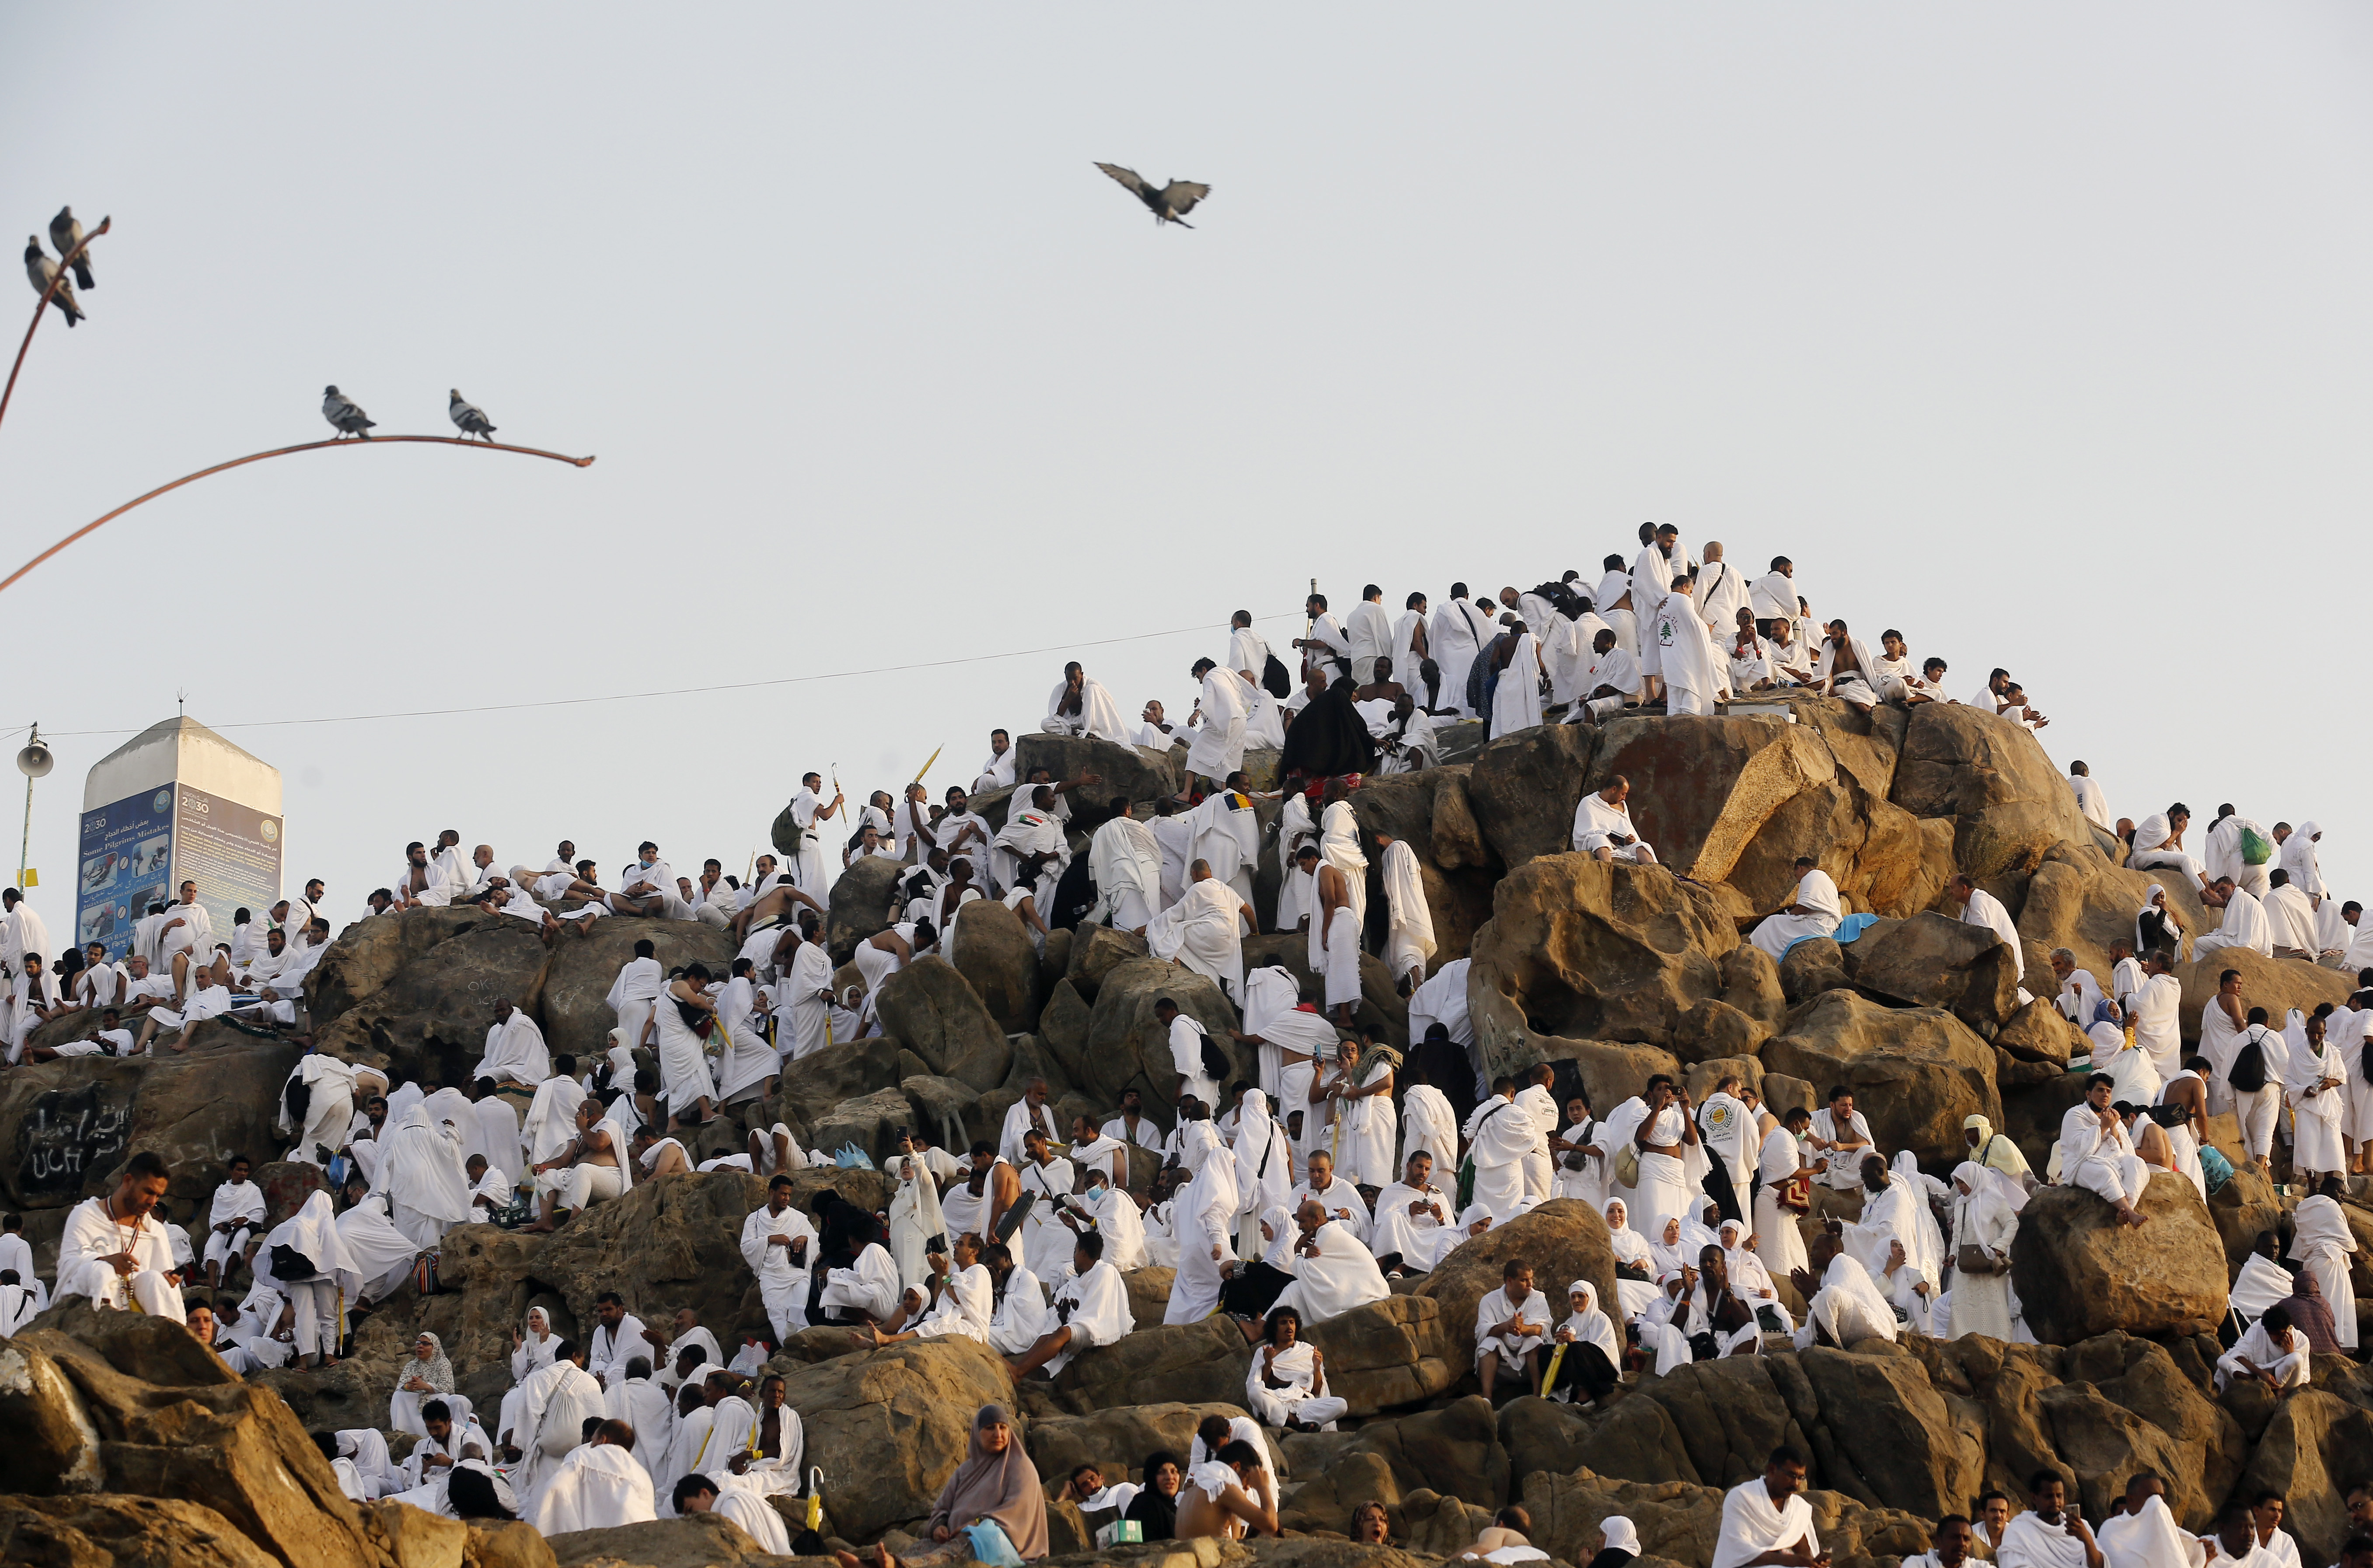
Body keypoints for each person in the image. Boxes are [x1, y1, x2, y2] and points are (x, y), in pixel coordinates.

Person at [832, 1405, 1048, 1568]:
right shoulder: (965, 1471)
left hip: (1001, 1544)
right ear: (977, 1433)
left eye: (1003, 1428)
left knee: (966, 1544)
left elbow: (1019, 1511)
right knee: (923, 1546)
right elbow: (941, 1507)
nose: (998, 1434)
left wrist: (978, 1522)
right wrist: (938, 1527)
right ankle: (871, 1565)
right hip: (957, 1538)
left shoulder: (1020, 1466)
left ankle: (894, 1566)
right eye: (990, 1428)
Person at [56, 1150, 185, 1320]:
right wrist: (105, 1261)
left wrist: (167, 1279)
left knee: (155, 1280)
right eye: (148, 1192)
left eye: (158, 1196)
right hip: (91, 1310)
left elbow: (162, 1288)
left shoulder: (154, 1231)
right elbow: (67, 1265)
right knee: (102, 1271)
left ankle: (168, 1341)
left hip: (138, 1314)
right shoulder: (87, 1215)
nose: (152, 1202)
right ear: (128, 1181)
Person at [2059, 1072, 2152, 1228]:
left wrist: (2113, 1126)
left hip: (2112, 1160)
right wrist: (2103, 1127)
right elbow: (2079, 1149)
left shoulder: (2113, 1117)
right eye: (2100, 1090)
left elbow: (2125, 1150)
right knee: (2105, 1173)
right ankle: (2131, 1213)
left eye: (2108, 1091)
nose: (2105, 1095)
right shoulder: (2075, 1114)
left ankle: (2125, 1213)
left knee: (2138, 1164)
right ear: (2089, 1094)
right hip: (2080, 1165)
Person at [534, 1419, 657, 1534]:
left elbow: (555, 1487)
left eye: (593, 1440)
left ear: (603, 1440)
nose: (591, 1445)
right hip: (632, 1537)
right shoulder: (642, 1474)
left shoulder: (583, 1457)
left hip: (590, 1543)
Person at [1710, 1447, 1822, 1568]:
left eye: (1801, 1478)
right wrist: (1787, 1561)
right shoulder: (1742, 1497)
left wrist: (1815, 1563)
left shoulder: (1798, 1507)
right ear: (1772, 1469)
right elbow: (1740, 1551)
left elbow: (1805, 1554)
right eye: (1791, 1475)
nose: (1796, 1484)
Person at [1947, 1163, 2021, 1341]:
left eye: (1962, 1182)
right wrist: (1952, 1255)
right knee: (1961, 1304)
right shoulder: (1961, 1203)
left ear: (1973, 1179)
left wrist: (1999, 1246)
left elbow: (2012, 1223)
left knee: (1993, 1305)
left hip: (1990, 1261)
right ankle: (1963, 1343)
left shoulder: (1994, 1198)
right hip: (1965, 1265)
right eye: (1957, 1183)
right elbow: (1958, 1234)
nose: (1960, 1187)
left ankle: (1998, 1343)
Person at [1475, 1257, 1550, 1400]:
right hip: (1502, 1367)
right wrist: (1507, 1327)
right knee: (1488, 1344)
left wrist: (1522, 1328)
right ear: (1509, 1281)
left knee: (1534, 1341)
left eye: (1531, 1279)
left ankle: (1538, 1397)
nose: (1530, 1284)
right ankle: (1487, 1400)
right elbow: (1483, 1331)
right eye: (1524, 1280)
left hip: (1530, 1366)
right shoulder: (1489, 1300)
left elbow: (1541, 1330)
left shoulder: (1538, 1298)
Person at [1176, 1439, 1278, 1542]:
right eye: (1248, 1479)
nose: (1248, 1487)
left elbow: (1236, 1537)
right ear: (1236, 1467)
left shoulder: (1199, 1485)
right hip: (1211, 1554)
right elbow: (1271, 1525)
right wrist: (1263, 1487)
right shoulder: (1223, 1487)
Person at [1752, 859, 1841, 961]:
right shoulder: (1825, 878)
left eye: (1796, 875)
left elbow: (1804, 907)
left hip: (1819, 926)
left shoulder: (1810, 877)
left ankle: (1768, 955)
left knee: (1772, 921)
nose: (1798, 880)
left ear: (1800, 869)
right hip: (1830, 925)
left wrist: (1789, 914)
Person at [201, 1154, 266, 1291]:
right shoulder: (221, 1192)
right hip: (224, 1229)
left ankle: (226, 1279)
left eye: (246, 1171)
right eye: (239, 1170)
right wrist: (219, 1226)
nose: (243, 1174)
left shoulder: (252, 1190)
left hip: (245, 1227)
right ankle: (212, 1281)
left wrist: (245, 1220)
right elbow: (214, 1217)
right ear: (231, 1171)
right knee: (212, 1244)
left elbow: (259, 1214)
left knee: (239, 1240)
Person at [2216, 1303, 2308, 1395]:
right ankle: (2269, 1389)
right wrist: (2261, 1374)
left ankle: (2275, 1389)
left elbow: (2304, 1378)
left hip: (2286, 1385)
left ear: (2288, 1329)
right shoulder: (2258, 1328)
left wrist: (2290, 1354)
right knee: (2223, 1361)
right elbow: (2238, 1354)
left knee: (2296, 1358)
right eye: (2271, 1334)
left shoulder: (2302, 1340)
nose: (2274, 1339)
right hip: (2259, 1375)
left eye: (2279, 1334)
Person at [1572, 777, 1656, 863]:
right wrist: (1607, 835)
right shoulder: (1589, 802)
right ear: (1614, 789)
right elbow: (1584, 832)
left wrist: (1629, 839)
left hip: (1622, 847)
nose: (1624, 798)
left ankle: (1654, 872)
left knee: (1643, 846)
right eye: (1623, 794)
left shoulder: (1622, 805)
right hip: (1600, 845)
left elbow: (1627, 828)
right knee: (1599, 839)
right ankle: (1608, 870)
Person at [390, 1332, 458, 1432]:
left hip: (433, 1397)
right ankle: (402, 1432)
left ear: (435, 1347)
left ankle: (436, 1431)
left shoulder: (443, 1363)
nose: (420, 1347)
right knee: (398, 1396)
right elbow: (401, 1385)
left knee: (444, 1397)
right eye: (418, 1343)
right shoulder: (412, 1365)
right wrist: (410, 1386)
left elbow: (448, 1387)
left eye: (425, 1344)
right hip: (416, 1398)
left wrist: (425, 1386)